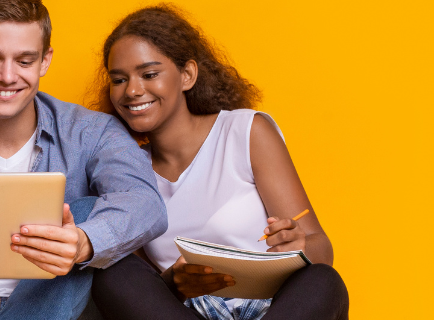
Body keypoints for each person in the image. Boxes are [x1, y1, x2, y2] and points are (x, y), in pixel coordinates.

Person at [0, 0, 167, 318]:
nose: (7, 76)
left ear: (44, 62)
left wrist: (83, 242)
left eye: (24, 60)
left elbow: (147, 203)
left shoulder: (92, 131)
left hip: (52, 301)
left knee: (85, 211)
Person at [88, 5, 348, 320]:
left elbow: (323, 251)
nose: (131, 90)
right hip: (191, 313)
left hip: (276, 308)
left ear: (187, 75)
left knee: (324, 281)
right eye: (118, 79)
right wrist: (174, 282)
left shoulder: (245, 131)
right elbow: (145, 292)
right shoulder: (125, 172)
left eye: (149, 74)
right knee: (111, 273)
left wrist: (298, 247)